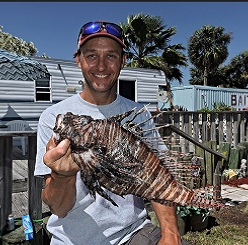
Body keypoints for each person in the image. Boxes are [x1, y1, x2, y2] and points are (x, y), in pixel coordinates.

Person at [34, 21, 184, 245]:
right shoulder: (54, 118)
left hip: (133, 233)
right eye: (92, 55)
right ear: (79, 59)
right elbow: (59, 208)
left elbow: (158, 178)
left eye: (111, 56)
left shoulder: (138, 114)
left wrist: (171, 233)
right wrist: (61, 176)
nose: (101, 66)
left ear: (123, 61)